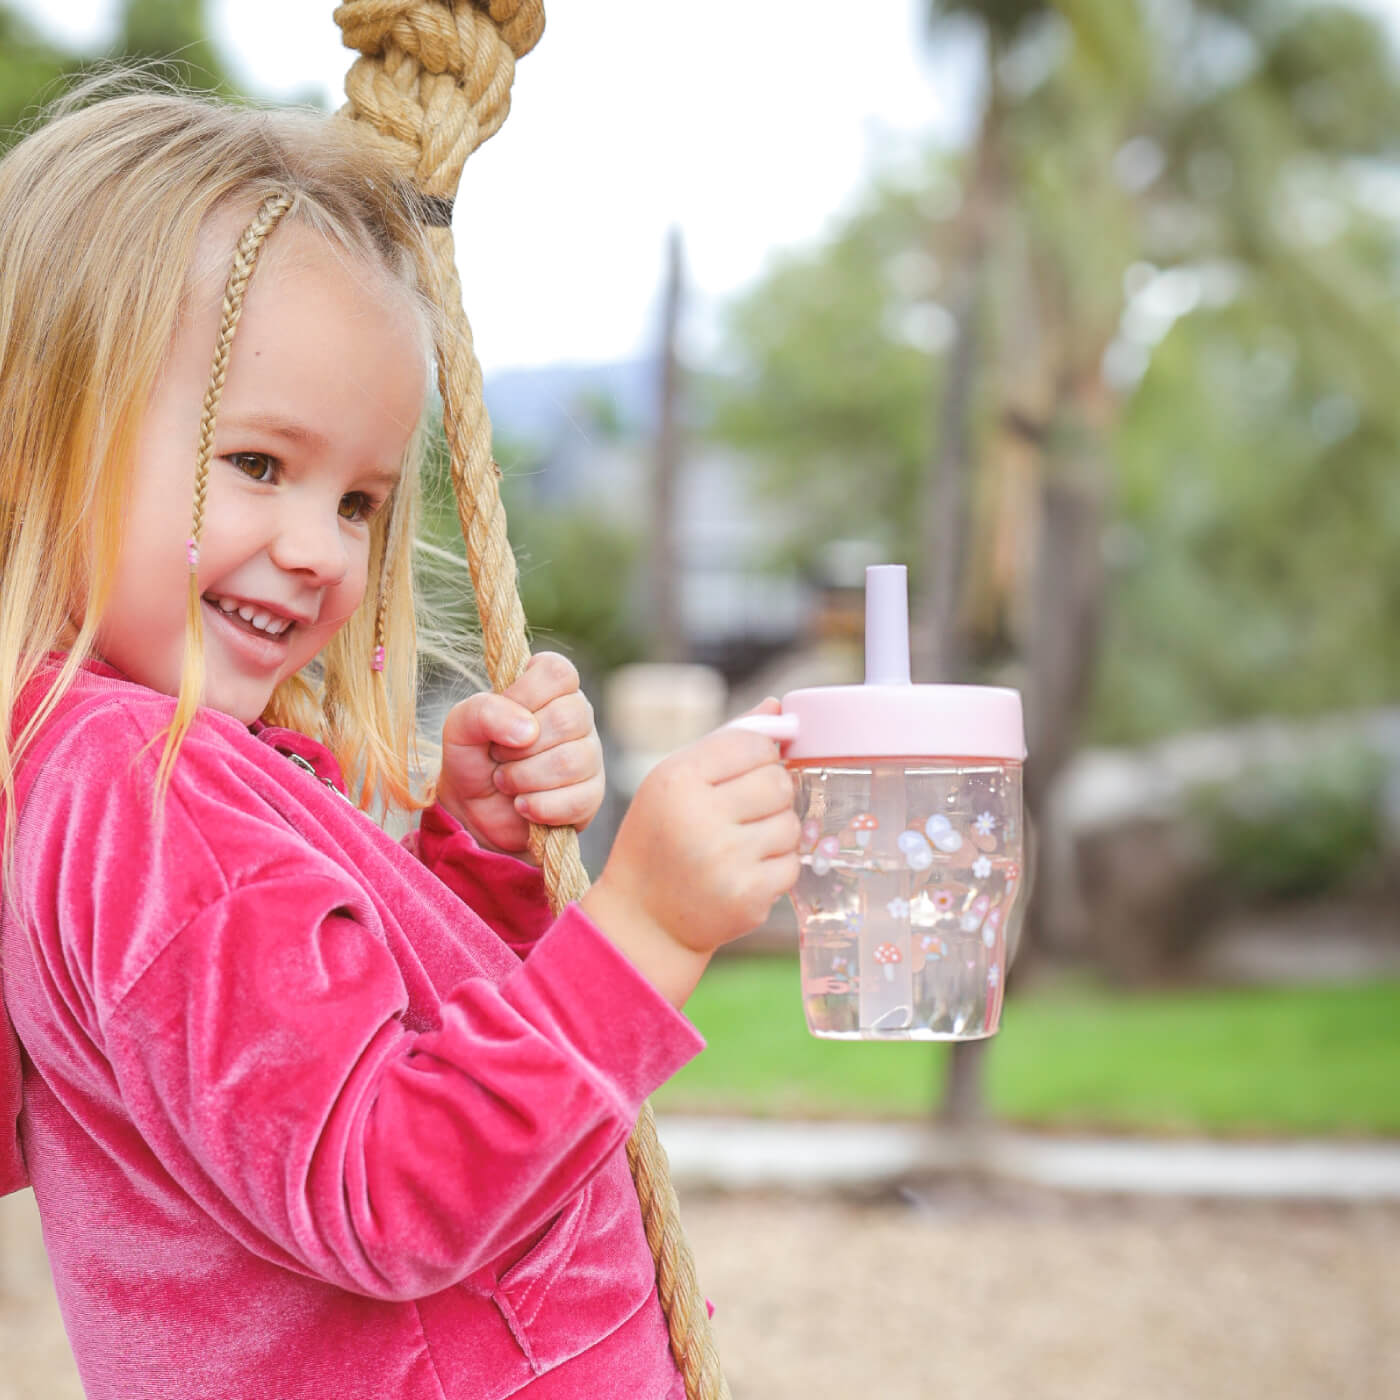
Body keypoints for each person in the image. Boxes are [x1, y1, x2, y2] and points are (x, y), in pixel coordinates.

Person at [0, 84, 801, 1400]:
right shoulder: (147, 787)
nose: (321, 550)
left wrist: (476, 869)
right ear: (41, 428)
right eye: (258, 463)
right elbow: (388, 1192)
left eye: (361, 501)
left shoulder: (88, 780)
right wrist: (647, 928)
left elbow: (323, 1075)